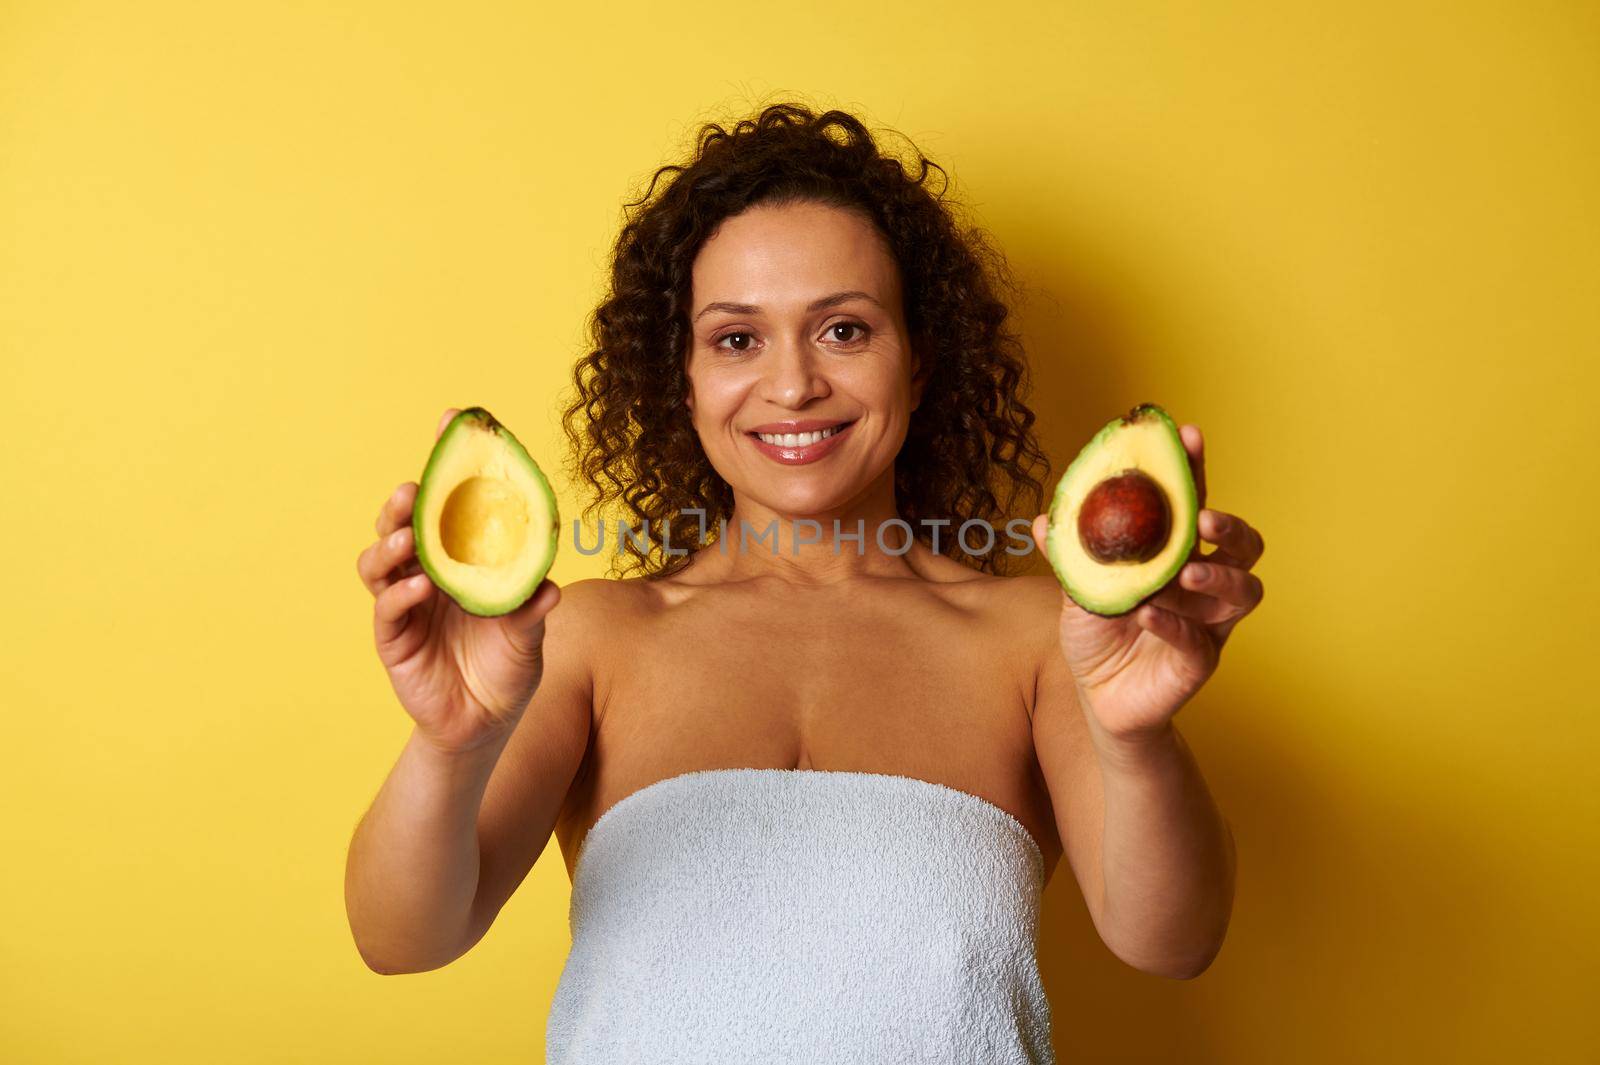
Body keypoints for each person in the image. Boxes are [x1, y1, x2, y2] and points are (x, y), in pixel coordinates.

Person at [346, 102, 1264, 1063]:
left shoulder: (1044, 637)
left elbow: (1171, 941)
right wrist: (450, 745)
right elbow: (402, 939)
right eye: (737, 339)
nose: (792, 386)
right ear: (685, 380)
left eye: (844, 330)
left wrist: (1138, 736)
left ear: (919, 362)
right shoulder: (590, 635)